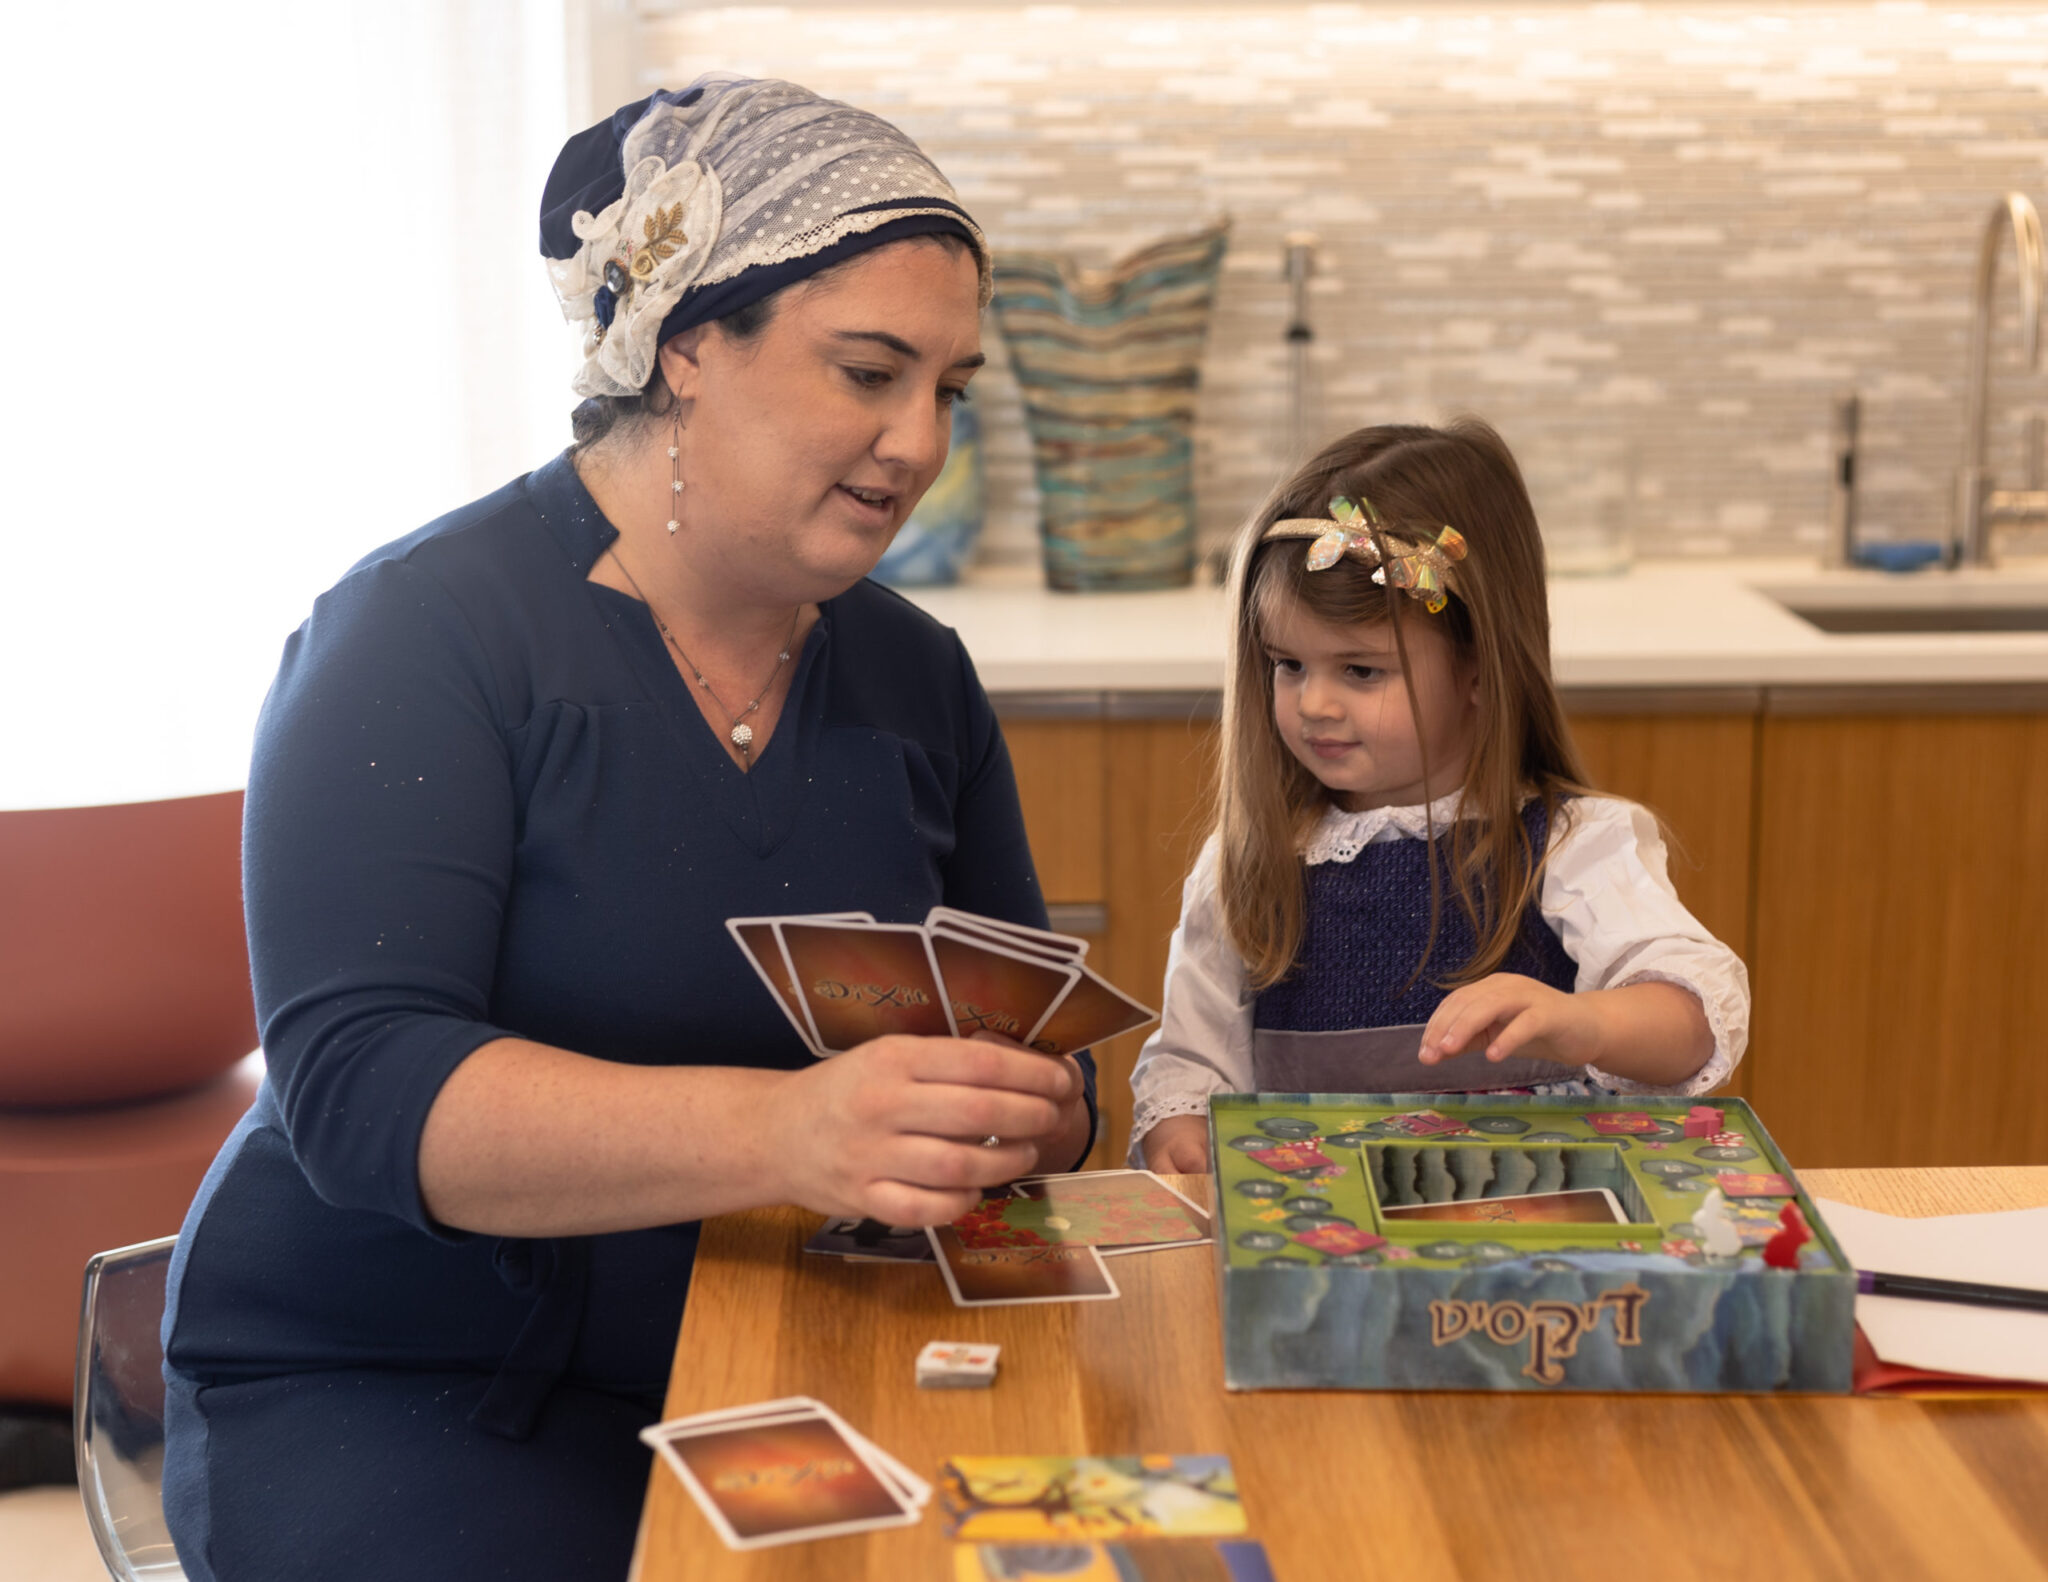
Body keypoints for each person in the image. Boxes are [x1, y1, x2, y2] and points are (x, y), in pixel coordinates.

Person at [161, 75, 1095, 1582]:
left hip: (793, 1341)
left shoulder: (919, 677)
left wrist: (1031, 1110)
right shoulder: (419, 638)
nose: (918, 440)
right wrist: (793, 1130)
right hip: (411, 1381)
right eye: (868, 371)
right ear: (685, 348)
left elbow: (1036, 1036)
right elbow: (360, 1088)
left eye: (952, 387)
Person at [1131, 419, 1747, 1174]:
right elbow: (1190, 1067)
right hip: (1323, 1253)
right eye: (1288, 664)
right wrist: (1181, 1133)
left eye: (1360, 671)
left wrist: (1585, 1022)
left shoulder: (1570, 842)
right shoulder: (1251, 862)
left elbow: (1692, 1014)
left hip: (1529, 1241)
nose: (1313, 703)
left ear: (1480, 670)